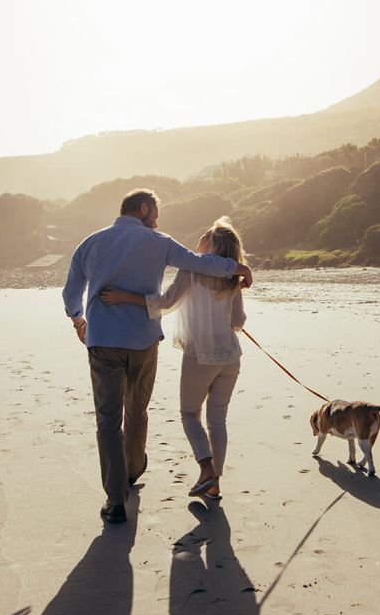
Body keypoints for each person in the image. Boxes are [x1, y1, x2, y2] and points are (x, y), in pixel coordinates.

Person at [62, 190, 253, 524]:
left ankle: (115, 499)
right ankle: (135, 468)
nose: (158, 220)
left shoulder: (89, 243)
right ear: (145, 209)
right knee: (137, 410)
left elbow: (71, 293)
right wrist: (236, 267)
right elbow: (199, 263)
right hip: (144, 341)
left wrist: (79, 319)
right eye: (157, 213)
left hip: (103, 340)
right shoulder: (159, 241)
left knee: (108, 419)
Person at [101, 218, 246, 501]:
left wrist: (123, 297)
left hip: (199, 357)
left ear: (210, 245)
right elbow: (238, 321)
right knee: (218, 420)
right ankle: (214, 482)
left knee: (190, 414)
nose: (198, 242)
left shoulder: (191, 271)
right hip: (230, 357)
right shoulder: (233, 278)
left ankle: (206, 470)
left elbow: (164, 303)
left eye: (204, 238)